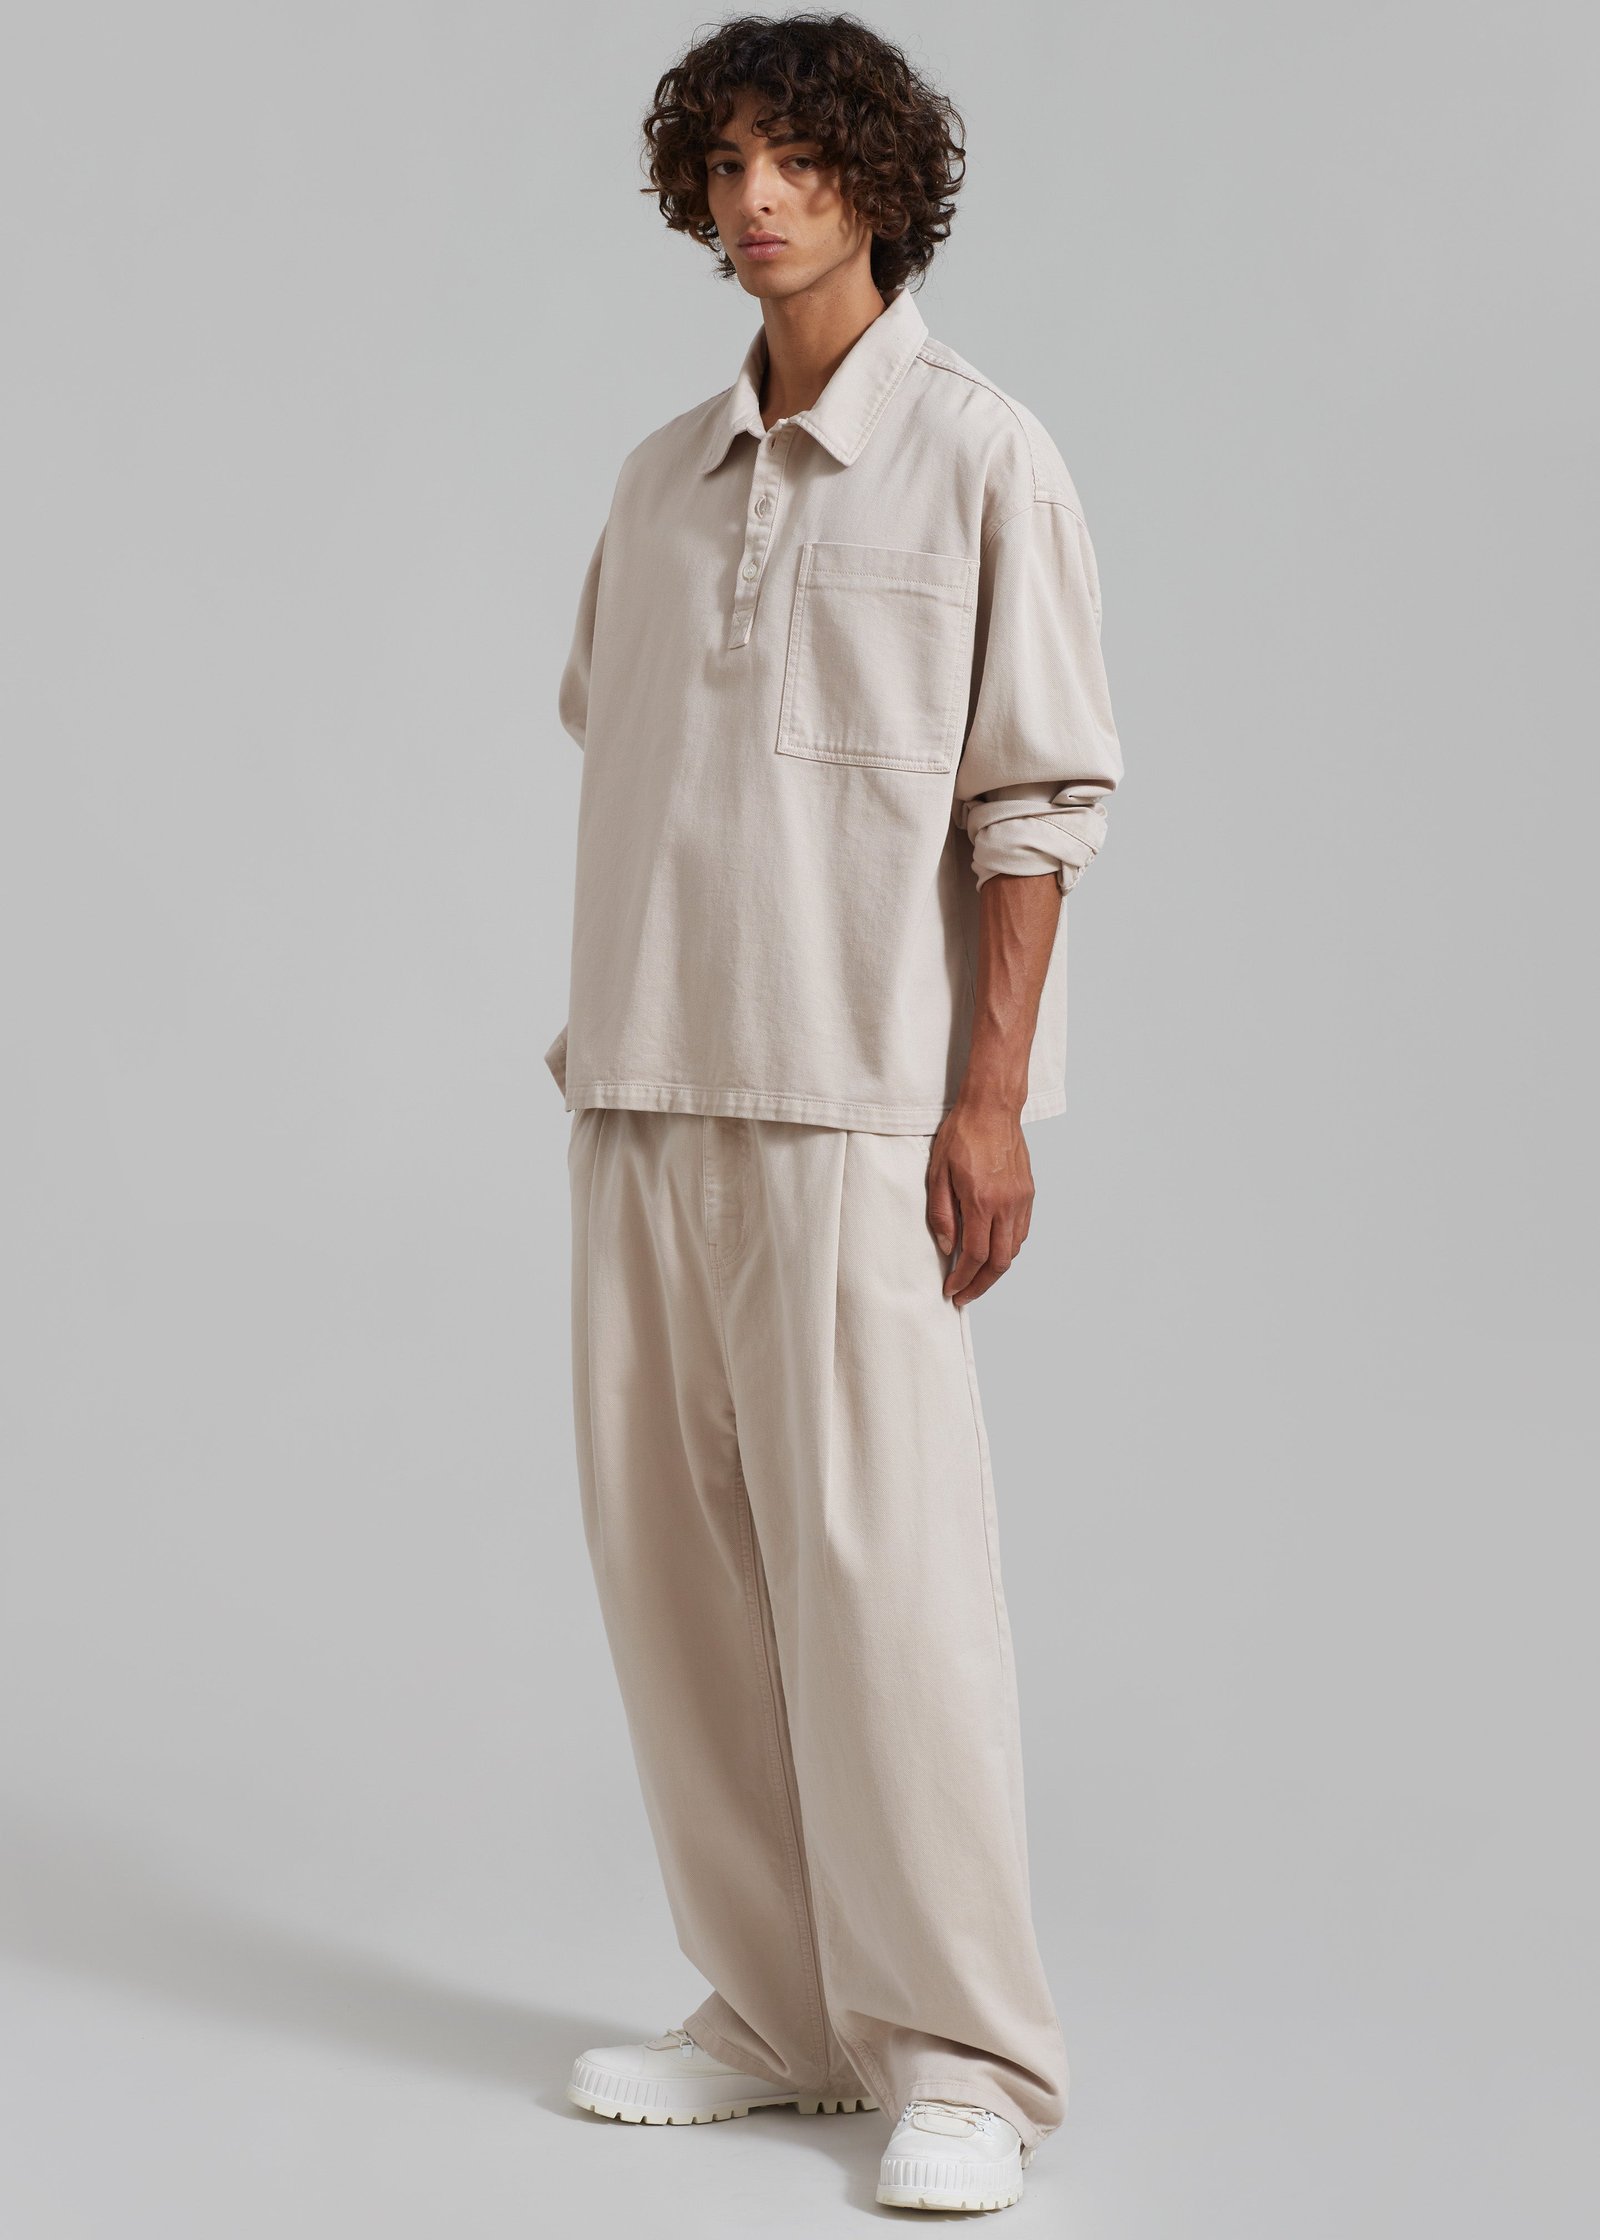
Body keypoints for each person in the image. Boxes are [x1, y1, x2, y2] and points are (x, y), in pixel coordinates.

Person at [545, 14, 1122, 2216]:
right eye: (725, 162)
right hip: (641, 1090)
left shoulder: (984, 459)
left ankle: (962, 2054)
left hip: (856, 1110)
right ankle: (775, 2015)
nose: (758, 195)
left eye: (798, 156)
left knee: (887, 1592)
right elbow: (630, 737)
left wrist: (989, 1104)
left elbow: (1032, 805)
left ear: (880, 181)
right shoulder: (656, 480)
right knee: (678, 1583)